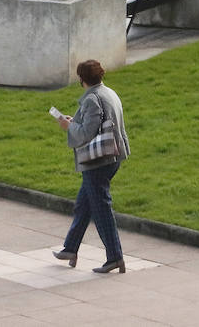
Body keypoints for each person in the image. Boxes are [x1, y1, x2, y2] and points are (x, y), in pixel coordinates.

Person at [52, 59, 131, 275]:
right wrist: (74, 123)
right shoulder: (109, 93)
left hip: (98, 161)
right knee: (84, 204)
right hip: (114, 156)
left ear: (81, 79)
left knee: (101, 209)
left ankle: (114, 257)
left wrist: (68, 126)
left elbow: (87, 134)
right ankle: (70, 248)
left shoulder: (92, 100)